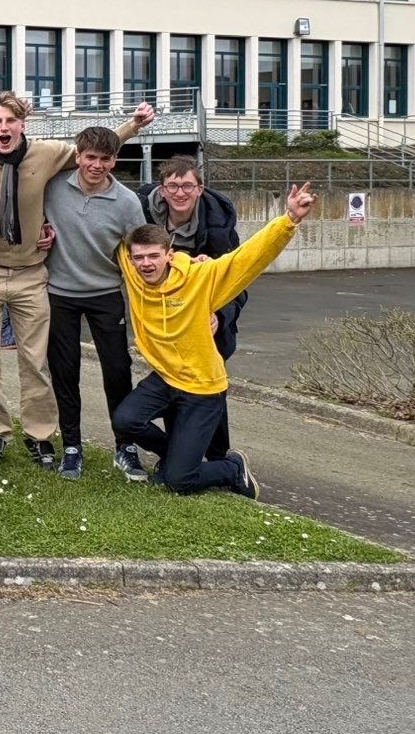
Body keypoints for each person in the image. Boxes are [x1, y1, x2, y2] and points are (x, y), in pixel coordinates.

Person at [0, 91, 152, 468]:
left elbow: (96, 150)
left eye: (11, 120)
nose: (4, 127)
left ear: (23, 124)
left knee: (36, 361)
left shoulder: (46, 154)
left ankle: (39, 435)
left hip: (32, 273)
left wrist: (132, 126)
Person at [113, 182, 320, 498]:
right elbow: (99, 213)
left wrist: (289, 220)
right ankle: (175, 457)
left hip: (202, 387)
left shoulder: (201, 277)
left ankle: (231, 468)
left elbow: (248, 258)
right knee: (125, 421)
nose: (146, 264)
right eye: (138, 258)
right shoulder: (134, 273)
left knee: (180, 482)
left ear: (169, 254)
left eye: (153, 256)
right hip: (166, 378)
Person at [42, 126, 147, 481]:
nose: (97, 165)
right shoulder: (54, 187)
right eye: (90, 157)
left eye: (105, 159)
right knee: (65, 371)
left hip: (105, 293)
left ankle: (125, 446)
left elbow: (141, 253)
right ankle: (72, 446)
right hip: (60, 293)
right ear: (78, 156)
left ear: (114, 161)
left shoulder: (127, 203)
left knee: (117, 370)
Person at [138, 155, 247, 464]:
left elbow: (237, 282)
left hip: (208, 322)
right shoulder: (143, 217)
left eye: (187, 186)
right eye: (173, 186)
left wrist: (220, 316)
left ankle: (219, 458)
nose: (180, 193)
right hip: (168, 320)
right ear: (162, 190)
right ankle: (177, 455)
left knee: (210, 390)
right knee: (172, 385)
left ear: (200, 189)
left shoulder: (218, 227)